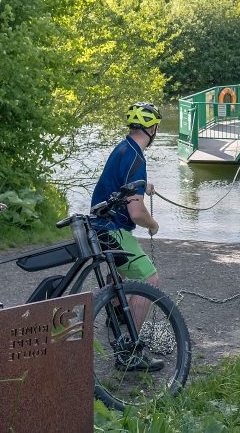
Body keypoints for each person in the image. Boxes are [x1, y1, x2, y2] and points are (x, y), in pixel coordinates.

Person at [90, 101, 163, 371]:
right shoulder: (137, 158)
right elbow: (136, 212)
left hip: (97, 226)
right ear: (153, 128)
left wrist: (144, 185)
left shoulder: (123, 148)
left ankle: (117, 317)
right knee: (149, 279)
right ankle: (131, 351)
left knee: (120, 272)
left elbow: (122, 184)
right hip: (111, 230)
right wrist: (153, 224)